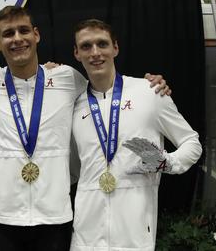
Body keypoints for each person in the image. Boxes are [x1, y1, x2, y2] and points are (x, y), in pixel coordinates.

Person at [0, 6, 169, 251]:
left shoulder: (67, 78)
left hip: (54, 216)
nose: (17, 38)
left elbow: (106, 90)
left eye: (23, 30)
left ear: (36, 35)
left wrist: (147, 85)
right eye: (8, 33)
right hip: (0, 217)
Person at [69, 19, 202, 250]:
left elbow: (192, 142)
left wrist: (167, 162)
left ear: (115, 48)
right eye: (86, 46)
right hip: (85, 236)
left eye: (102, 44)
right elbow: (72, 169)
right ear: (77, 53)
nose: (95, 52)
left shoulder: (149, 92)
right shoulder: (73, 105)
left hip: (135, 233)